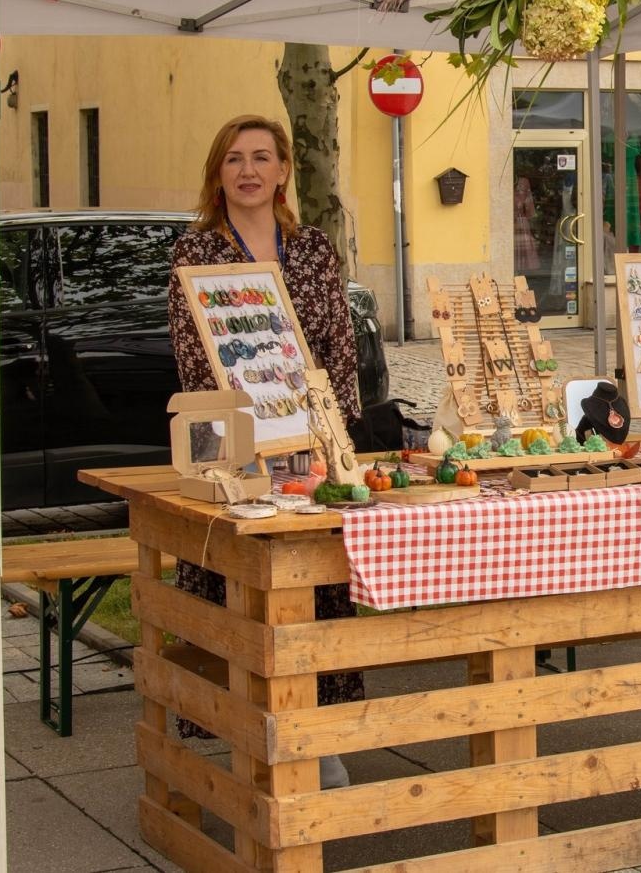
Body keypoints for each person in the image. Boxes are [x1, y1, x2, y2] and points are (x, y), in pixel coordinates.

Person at [166, 114, 362, 789]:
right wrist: (240, 444)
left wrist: (334, 435)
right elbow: (194, 359)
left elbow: (340, 345)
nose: (248, 170)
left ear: (282, 171)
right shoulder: (196, 256)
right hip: (237, 457)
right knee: (237, 599)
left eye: (261, 158)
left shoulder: (311, 250)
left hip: (311, 452)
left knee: (318, 593)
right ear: (217, 176)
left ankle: (320, 740)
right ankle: (244, 733)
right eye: (234, 160)